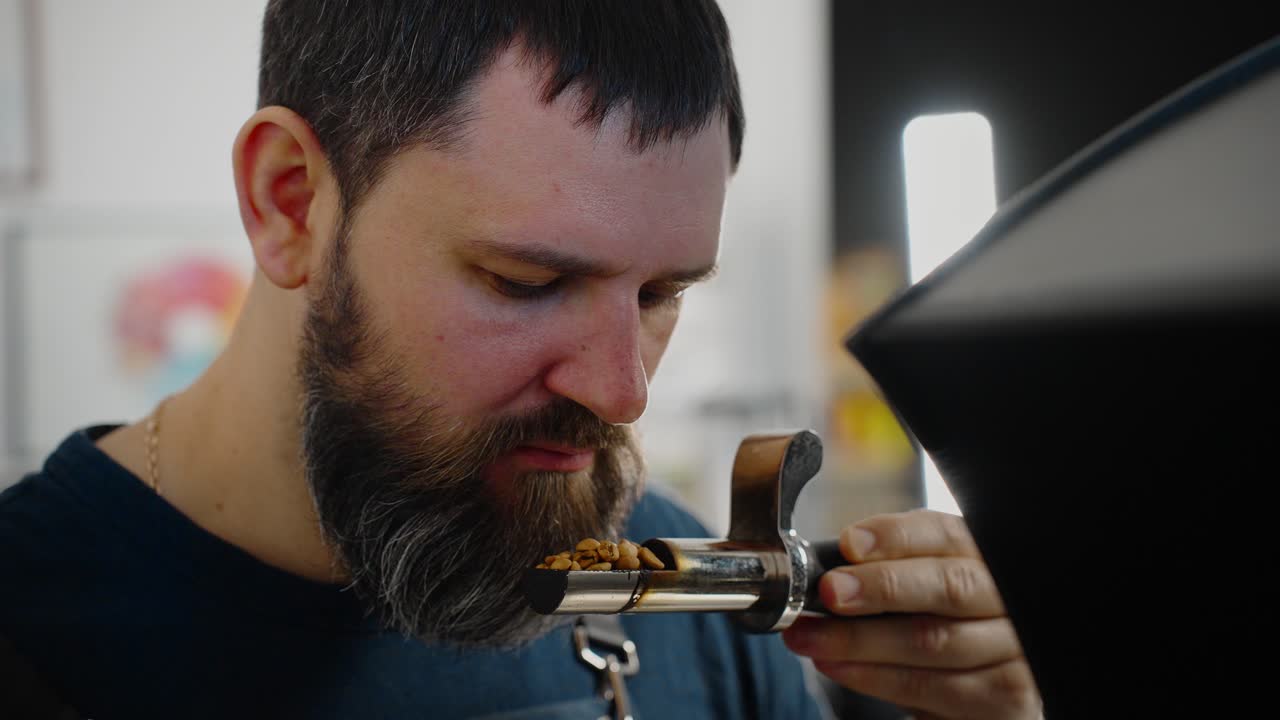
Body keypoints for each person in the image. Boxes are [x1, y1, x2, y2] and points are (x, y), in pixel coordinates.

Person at [0, 2, 1041, 718]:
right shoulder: (34, 618)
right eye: (524, 282)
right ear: (290, 202)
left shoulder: (681, 603)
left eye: (661, 293)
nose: (621, 391)